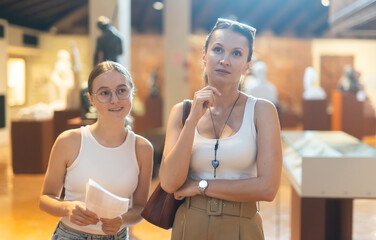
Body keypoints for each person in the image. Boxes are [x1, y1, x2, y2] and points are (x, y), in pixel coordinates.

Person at [159, 18, 282, 240]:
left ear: (247, 65)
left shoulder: (262, 111)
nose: (225, 60)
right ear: (204, 56)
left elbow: (268, 188)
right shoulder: (182, 111)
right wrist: (192, 122)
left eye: (236, 53)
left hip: (242, 225)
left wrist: (200, 186)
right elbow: (169, 182)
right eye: (218, 50)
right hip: (189, 222)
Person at [40, 61, 153, 240]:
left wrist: (122, 220)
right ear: (91, 99)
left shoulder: (143, 148)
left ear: (132, 93)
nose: (115, 99)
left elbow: (141, 208)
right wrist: (67, 208)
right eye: (105, 93)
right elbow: (46, 198)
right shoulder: (69, 141)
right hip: (70, 235)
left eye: (122, 90)